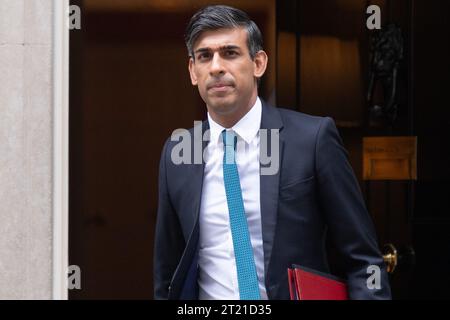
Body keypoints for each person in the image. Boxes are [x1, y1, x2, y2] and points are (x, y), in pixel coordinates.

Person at [154, 5, 391, 300]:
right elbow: (167, 273)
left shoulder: (312, 140)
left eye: (230, 53)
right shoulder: (178, 153)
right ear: (192, 71)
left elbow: (363, 261)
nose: (216, 67)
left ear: (258, 63)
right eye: (204, 56)